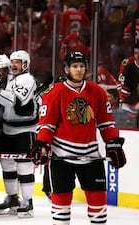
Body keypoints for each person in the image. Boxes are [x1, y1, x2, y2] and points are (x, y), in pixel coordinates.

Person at [32, 51, 127, 225]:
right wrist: (42, 144)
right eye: (75, 66)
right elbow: (47, 124)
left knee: (98, 203)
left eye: (82, 66)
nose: (79, 70)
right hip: (62, 155)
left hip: (90, 154)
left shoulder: (97, 91)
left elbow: (106, 123)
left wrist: (113, 143)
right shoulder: (55, 91)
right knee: (61, 207)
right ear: (67, 69)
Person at [0, 50, 37, 218]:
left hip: (25, 130)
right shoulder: (11, 81)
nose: (14, 65)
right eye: (13, 61)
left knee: (24, 166)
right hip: (8, 130)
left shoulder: (27, 80)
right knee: (7, 165)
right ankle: (13, 199)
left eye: (18, 61)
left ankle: (28, 201)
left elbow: (16, 101)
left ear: (25, 64)